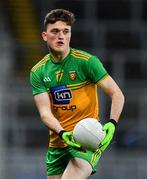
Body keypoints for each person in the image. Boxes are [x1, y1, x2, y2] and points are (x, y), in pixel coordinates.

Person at [30, 9, 124, 179]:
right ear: (45, 36)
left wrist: (112, 123)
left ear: (70, 35)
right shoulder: (38, 71)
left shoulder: (87, 62)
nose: (61, 36)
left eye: (66, 31)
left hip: (86, 141)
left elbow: (117, 94)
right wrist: (62, 133)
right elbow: (45, 113)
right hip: (57, 143)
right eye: (55, 31)